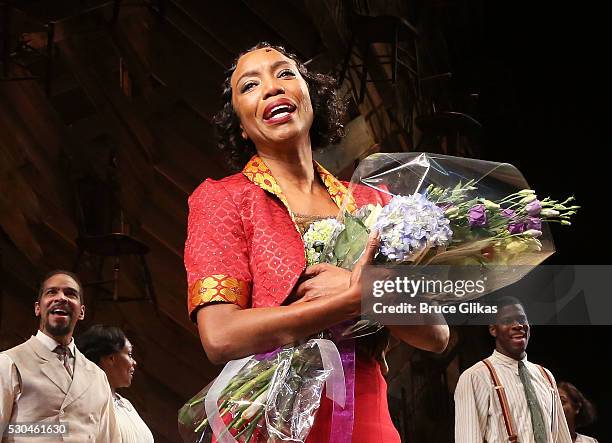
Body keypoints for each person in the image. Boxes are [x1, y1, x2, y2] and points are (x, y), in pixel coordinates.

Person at [184, 42, 449, 442]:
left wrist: (355, 285)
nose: (272, 87)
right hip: (270, 419)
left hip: (366, 414)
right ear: (239, 123)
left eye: (285, 73)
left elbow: (436, 334)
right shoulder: (223, 199)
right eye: (250, 85)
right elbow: (221, 336)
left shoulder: (374, 202)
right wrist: (348, 301)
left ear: (312, 95)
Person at [0, 270, 120, 442]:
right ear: (37, 308)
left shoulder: (97, 376)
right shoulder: (9, 362)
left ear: (81, 312)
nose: (61, 298)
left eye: (70, 294)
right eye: (52, 292)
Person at [454, 297, 572, 442]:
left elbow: (562, 438)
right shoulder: (475, 377)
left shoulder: (546, 376)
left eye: (522, 319)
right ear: (493, 329)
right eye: (507, 321)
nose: (518, 325)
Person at [77, 325, 154, 443]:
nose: (134, 362)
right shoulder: (84, 406)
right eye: (129, 354)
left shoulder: (125, 404)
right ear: (110, 358)